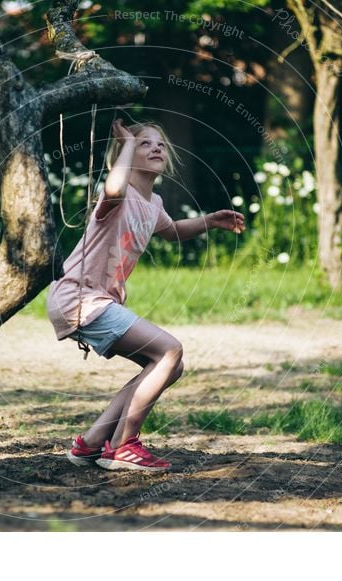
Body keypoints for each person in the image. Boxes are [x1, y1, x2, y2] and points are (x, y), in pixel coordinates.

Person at [46, 118, 246, 472]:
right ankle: (124, 446)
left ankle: (91, 443)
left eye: (161, 144)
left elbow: (171, 231)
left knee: (170, 366)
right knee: (169, 349)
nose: (156, 148)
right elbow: (112, 189)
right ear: (124, 155)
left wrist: (210, 221)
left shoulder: (152, 203)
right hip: (79, 298)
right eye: (144, 144)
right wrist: (124, 146)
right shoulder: (117, 198)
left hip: (95, 302)